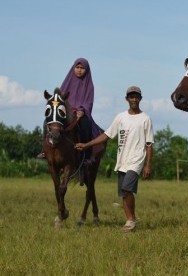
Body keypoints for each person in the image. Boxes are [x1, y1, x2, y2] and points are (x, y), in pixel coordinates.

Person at [75, 86, 154, 232]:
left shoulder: (145, 119)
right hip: (122, 161)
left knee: (126, 188)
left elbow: (149, 144)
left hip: (136, 160)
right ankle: (131, 220)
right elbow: (106, 135)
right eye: (131, 97)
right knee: (124, 193)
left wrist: (148, 165)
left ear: (140, 99)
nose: (134, 99)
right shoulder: (121, 117)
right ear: (127, 99)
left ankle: (130, 220)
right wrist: (87, 145)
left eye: (137, 97)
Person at [38, 57, 100, 163]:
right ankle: (44, 150)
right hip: (66, 112)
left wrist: (82, 111)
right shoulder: (67, 82)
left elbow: (89, 102)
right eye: (77, 67)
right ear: (73, 68)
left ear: (86, 70)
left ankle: (86, 155)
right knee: (47, 122)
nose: (79, 70)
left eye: (82, 68)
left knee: (86, 124)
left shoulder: (89, 86)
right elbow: (60, 99)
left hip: (81, 113)